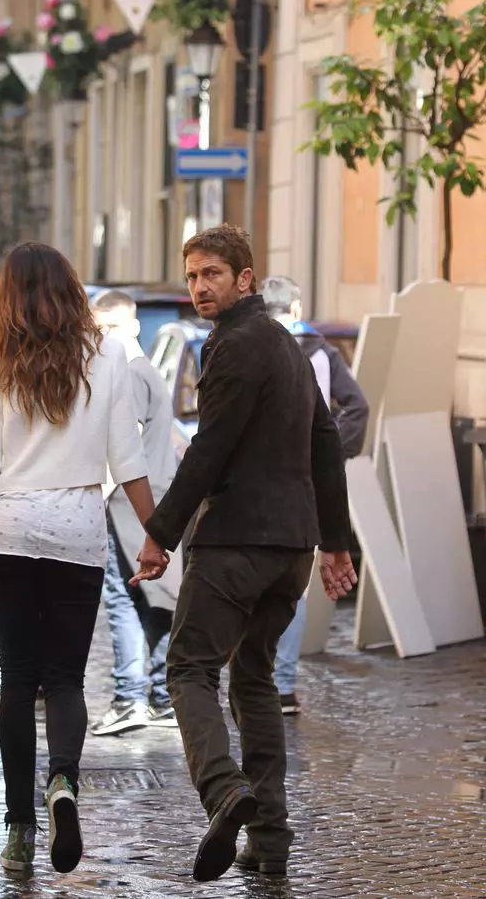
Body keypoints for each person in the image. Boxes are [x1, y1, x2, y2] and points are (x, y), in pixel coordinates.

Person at [131, 225, 356, 882]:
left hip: (236, 542)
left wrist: (160, 532)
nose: (200, 287)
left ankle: (224, 791)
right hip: (291, 550)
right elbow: (325, 444)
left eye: (212, 275)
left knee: (187, 669)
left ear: (245, 279)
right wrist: (333, 541)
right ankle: (272, 840)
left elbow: (211, 449)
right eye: (193, 276)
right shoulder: (290, 347)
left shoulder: (230, 345)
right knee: (254, 678)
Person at [0, 242, 167, 875]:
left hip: (11, 528)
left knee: (19, 681)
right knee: (65, 678)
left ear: (6, 293)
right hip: (78, 533)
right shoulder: (110, 353)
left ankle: (18, 829)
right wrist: (156, 535)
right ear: (71, 289)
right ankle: (62, 782)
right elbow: (130, 458)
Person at [261, 274, 369, 714]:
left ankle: (254, 675)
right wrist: (330, 454)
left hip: (257, 481)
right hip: (305, 480)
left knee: (251, 577)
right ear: (297, 309)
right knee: (294, 585)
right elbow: (357, 407)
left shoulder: (246, 346)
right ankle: (283, 685)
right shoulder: (321, 352)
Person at [90, 290, 179, 735]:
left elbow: (122, 450)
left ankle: (130, 697)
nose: (101, 336)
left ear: (132, 326)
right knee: (153, 599)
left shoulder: (129, 375)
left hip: (128, 502)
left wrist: (98, 494)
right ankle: (162, 696)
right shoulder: (145, 371)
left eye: (109, 327)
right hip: (150, 497)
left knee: (124, 598)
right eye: (97, 328)